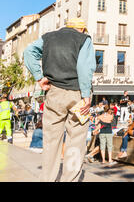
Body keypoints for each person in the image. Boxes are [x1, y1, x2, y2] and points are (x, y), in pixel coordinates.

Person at [24, 17, 96, 182]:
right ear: (82, 29)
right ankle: (68, 179)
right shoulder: (84, 39)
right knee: (76, 140)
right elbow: (85, 67)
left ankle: (47, 179)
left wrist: (39, 77)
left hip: (54, 92)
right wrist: (86, 95)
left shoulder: (48, 37)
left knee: (51, 141)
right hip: (77, 94)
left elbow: (28, 52)